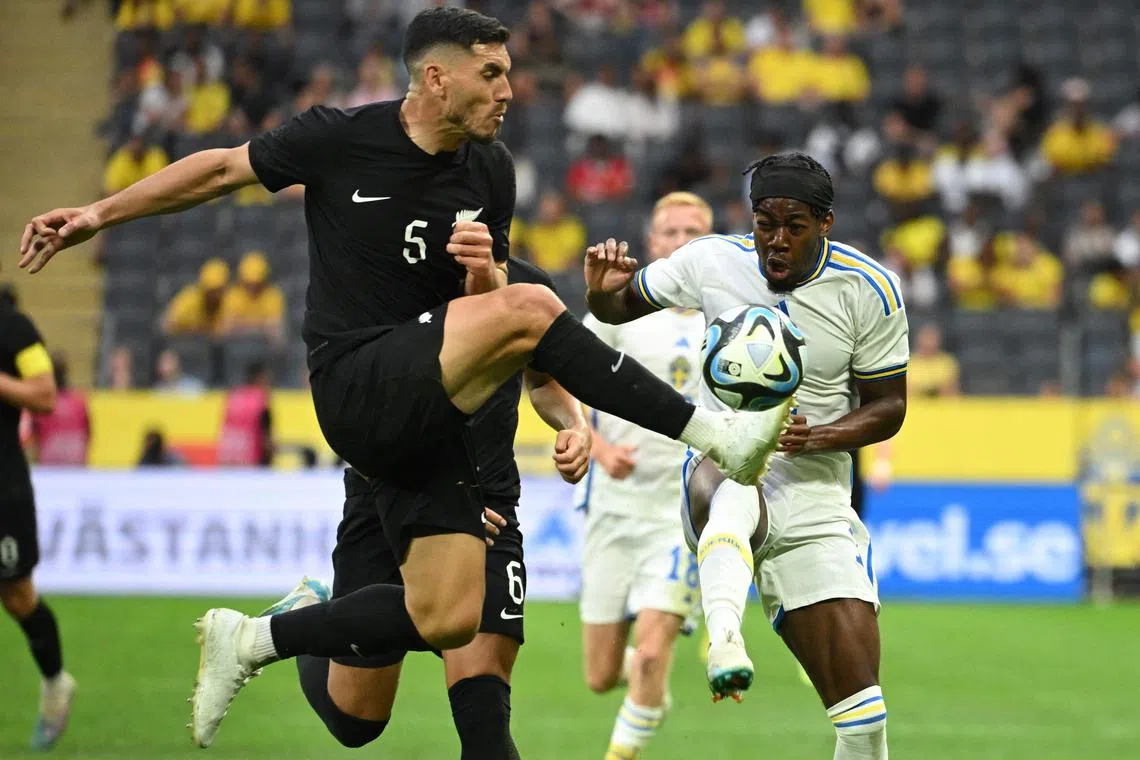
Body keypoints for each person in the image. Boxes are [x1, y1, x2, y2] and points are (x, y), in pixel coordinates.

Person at [19, 8, 788, 750]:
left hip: (431, 427)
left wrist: (491, 284)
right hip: (357, 381)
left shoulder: (489, 168)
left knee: (419, 651)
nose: (508, 90)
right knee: (536, 302)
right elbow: (221, 169)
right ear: (435, 78)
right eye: (490, 73)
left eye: (509, 73)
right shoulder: (340, 138)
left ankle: (260, 637)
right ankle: (711, 429)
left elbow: (485, 322)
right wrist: (96, 215)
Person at [585, 152, 907, 759]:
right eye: (765, 224)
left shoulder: (870, 289)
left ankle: (730, 620)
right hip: (719, 460)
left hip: (815, 493)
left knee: (863, 719)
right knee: (735, 473)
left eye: (794, 226)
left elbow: (890, 406)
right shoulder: (710, 261)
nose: (776, 241)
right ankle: (725, 632)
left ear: (826, 223)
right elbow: (618, 308)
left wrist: (822, 435)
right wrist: (601, 294)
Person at [266, 256, 587, 758]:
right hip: (389, 496)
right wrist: (442, 507)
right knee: (356, 722)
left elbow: (543, 381)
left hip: (493, 508)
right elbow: (354, 403)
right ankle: (313, 614)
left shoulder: (529, 287)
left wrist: (575, 424)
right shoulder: (390, 282)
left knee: (484, 724)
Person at [575, 192, 712, 760]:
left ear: (710, 243)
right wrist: (597, 445)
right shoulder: (615, 310)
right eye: (670, 231)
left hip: (682, 517)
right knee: (602, 676)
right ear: (652, 243)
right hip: (612, 510)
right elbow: (562, 381)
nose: (680, 241)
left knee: (653, 652)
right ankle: (649, 693)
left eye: (693, 232)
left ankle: (630, 729)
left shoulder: (728, 319)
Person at [0, 285, 77, 749]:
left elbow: (45, 394)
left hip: (2, 485)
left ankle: (55, 682)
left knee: (17, 595)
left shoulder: (13, 327)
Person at [28, 351, 91, 466]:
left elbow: (33, 435)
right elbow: (88, 433)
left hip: (49, 464)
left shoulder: (42, 402)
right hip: (75, 463)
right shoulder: (79, 401)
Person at [215, 361, 273, 467]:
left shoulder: (234, 396)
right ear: (260, 377)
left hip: (228, 461)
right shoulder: (261, 399)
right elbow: (266, 441)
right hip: (252, 464)